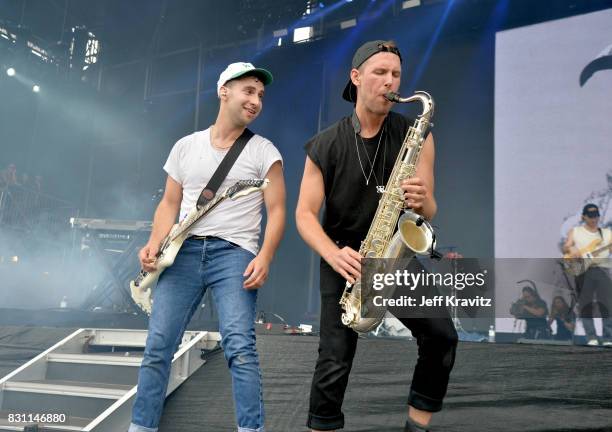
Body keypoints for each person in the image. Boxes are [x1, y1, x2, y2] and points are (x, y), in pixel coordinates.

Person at [295, 40, 457, 432]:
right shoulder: (325, 144)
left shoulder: (417, 134)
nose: (390, 82)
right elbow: (303, 215)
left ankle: (415, 427)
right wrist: (334, 257)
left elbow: (429, 210)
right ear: (356, 77)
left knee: (441, 336)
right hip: (344, 259)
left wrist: (422, 201)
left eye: (396, 74)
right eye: (380, 73)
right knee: (334, 358)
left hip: (392, 255)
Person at [129, 62, 286, 432]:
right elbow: (169, 203)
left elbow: (277, 211)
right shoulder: (186, 146)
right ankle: (141, 427)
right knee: (158, 347)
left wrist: (265, 256)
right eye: (248, 91)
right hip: (182, 255)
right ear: (224, 91)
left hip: (234, 255)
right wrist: (154, 242)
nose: (255, 100)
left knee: (240, 349)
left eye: (260, 95)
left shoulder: (264, 151)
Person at [563, 203, 612, 346]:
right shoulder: (576, 231)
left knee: (607, 304)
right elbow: (566, 246)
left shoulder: (607, 233)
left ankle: (608, 337)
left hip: (602, 269)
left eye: (596, 215)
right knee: (585, 303)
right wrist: (573, 250)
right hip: (583, 270)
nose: (594, 218)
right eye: (590, 215)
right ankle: (591, 337)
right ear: (584, 216)